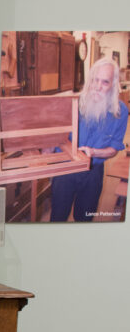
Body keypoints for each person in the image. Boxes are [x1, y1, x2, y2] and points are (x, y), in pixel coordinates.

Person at [50, 58, 129, 222]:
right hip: (65, 169)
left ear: (113, 86)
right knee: (57, 217)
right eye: (95, 80)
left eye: (105, 82)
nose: (97, 87)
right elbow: (53, 135)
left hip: (93, 172)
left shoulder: (120, 112)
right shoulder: (73, 103)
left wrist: (94, 152)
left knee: (85, 218)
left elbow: (114, 148)